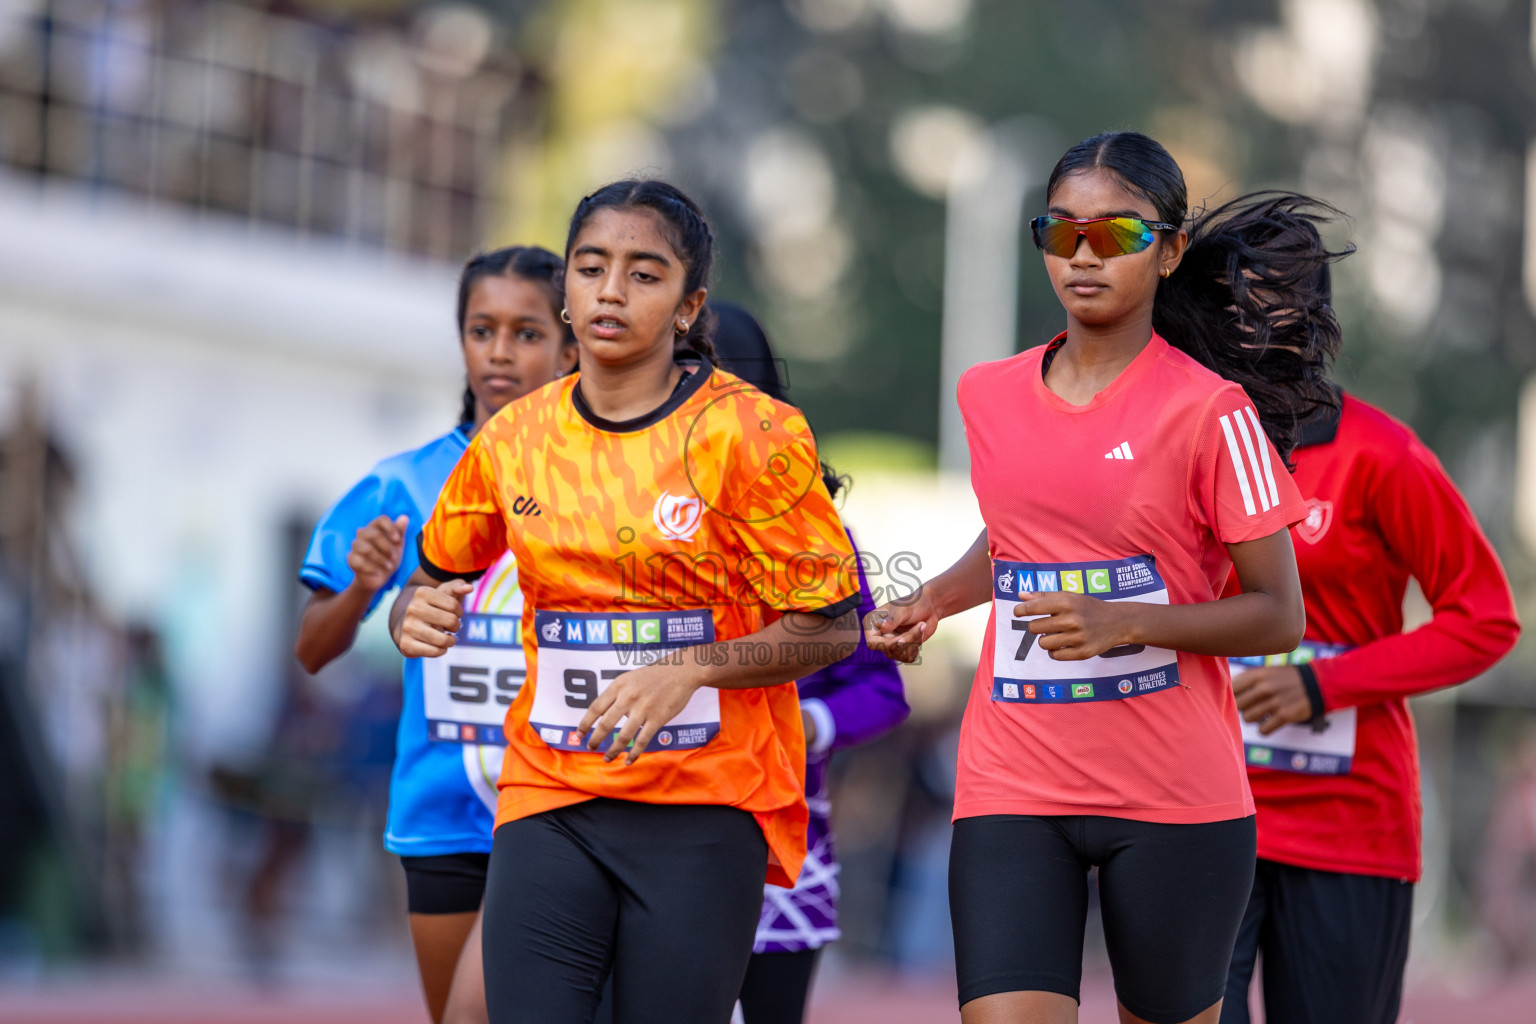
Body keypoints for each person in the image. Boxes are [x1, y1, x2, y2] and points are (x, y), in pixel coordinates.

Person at [866, 132, 1340, 1024]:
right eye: (1062, 233)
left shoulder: (1211, 412)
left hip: (1171, 793)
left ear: (1168, 252)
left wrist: (1126, 624)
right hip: (1013, 781)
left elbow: (1278, 614)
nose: (1084, 256)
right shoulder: (988, 394)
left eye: (1116, 235)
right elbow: (1018, 541)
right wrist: (931, 600)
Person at [389, 180, 865, 1024]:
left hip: (705, 804)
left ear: (689, 307)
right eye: (591, 267)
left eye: (645, 274)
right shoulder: (517, 438)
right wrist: (410, 613)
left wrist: (692, 669)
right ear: (567, 292)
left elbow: (830, 629)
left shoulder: (747, 434)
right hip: (551, 791)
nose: (612, 290)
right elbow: (432, 576)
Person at [1218, 266, 1520, 1021]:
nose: (1251, 316)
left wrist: (1323, 684)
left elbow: (1486, 620)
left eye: (1274, 295)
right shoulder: (1187, 445)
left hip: (1348, 825)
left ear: (1316, 312)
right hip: (1207, 811)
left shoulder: (1382, 455)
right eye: (1230, 297)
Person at [295, 246, 577, 1024]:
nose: (499, 352)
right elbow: (312, 650)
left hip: (567, 806)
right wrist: (361, 585)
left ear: (567, 348)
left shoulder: (596, 484)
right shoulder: (403, 484)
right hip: (443, 811)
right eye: (481, 329)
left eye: (526, 333)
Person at [710, 302, 911, 1024]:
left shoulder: (819, 534)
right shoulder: (621, 530)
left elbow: (882, 691)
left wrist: (801, 723)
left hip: (784, 841)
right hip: (649, 829)